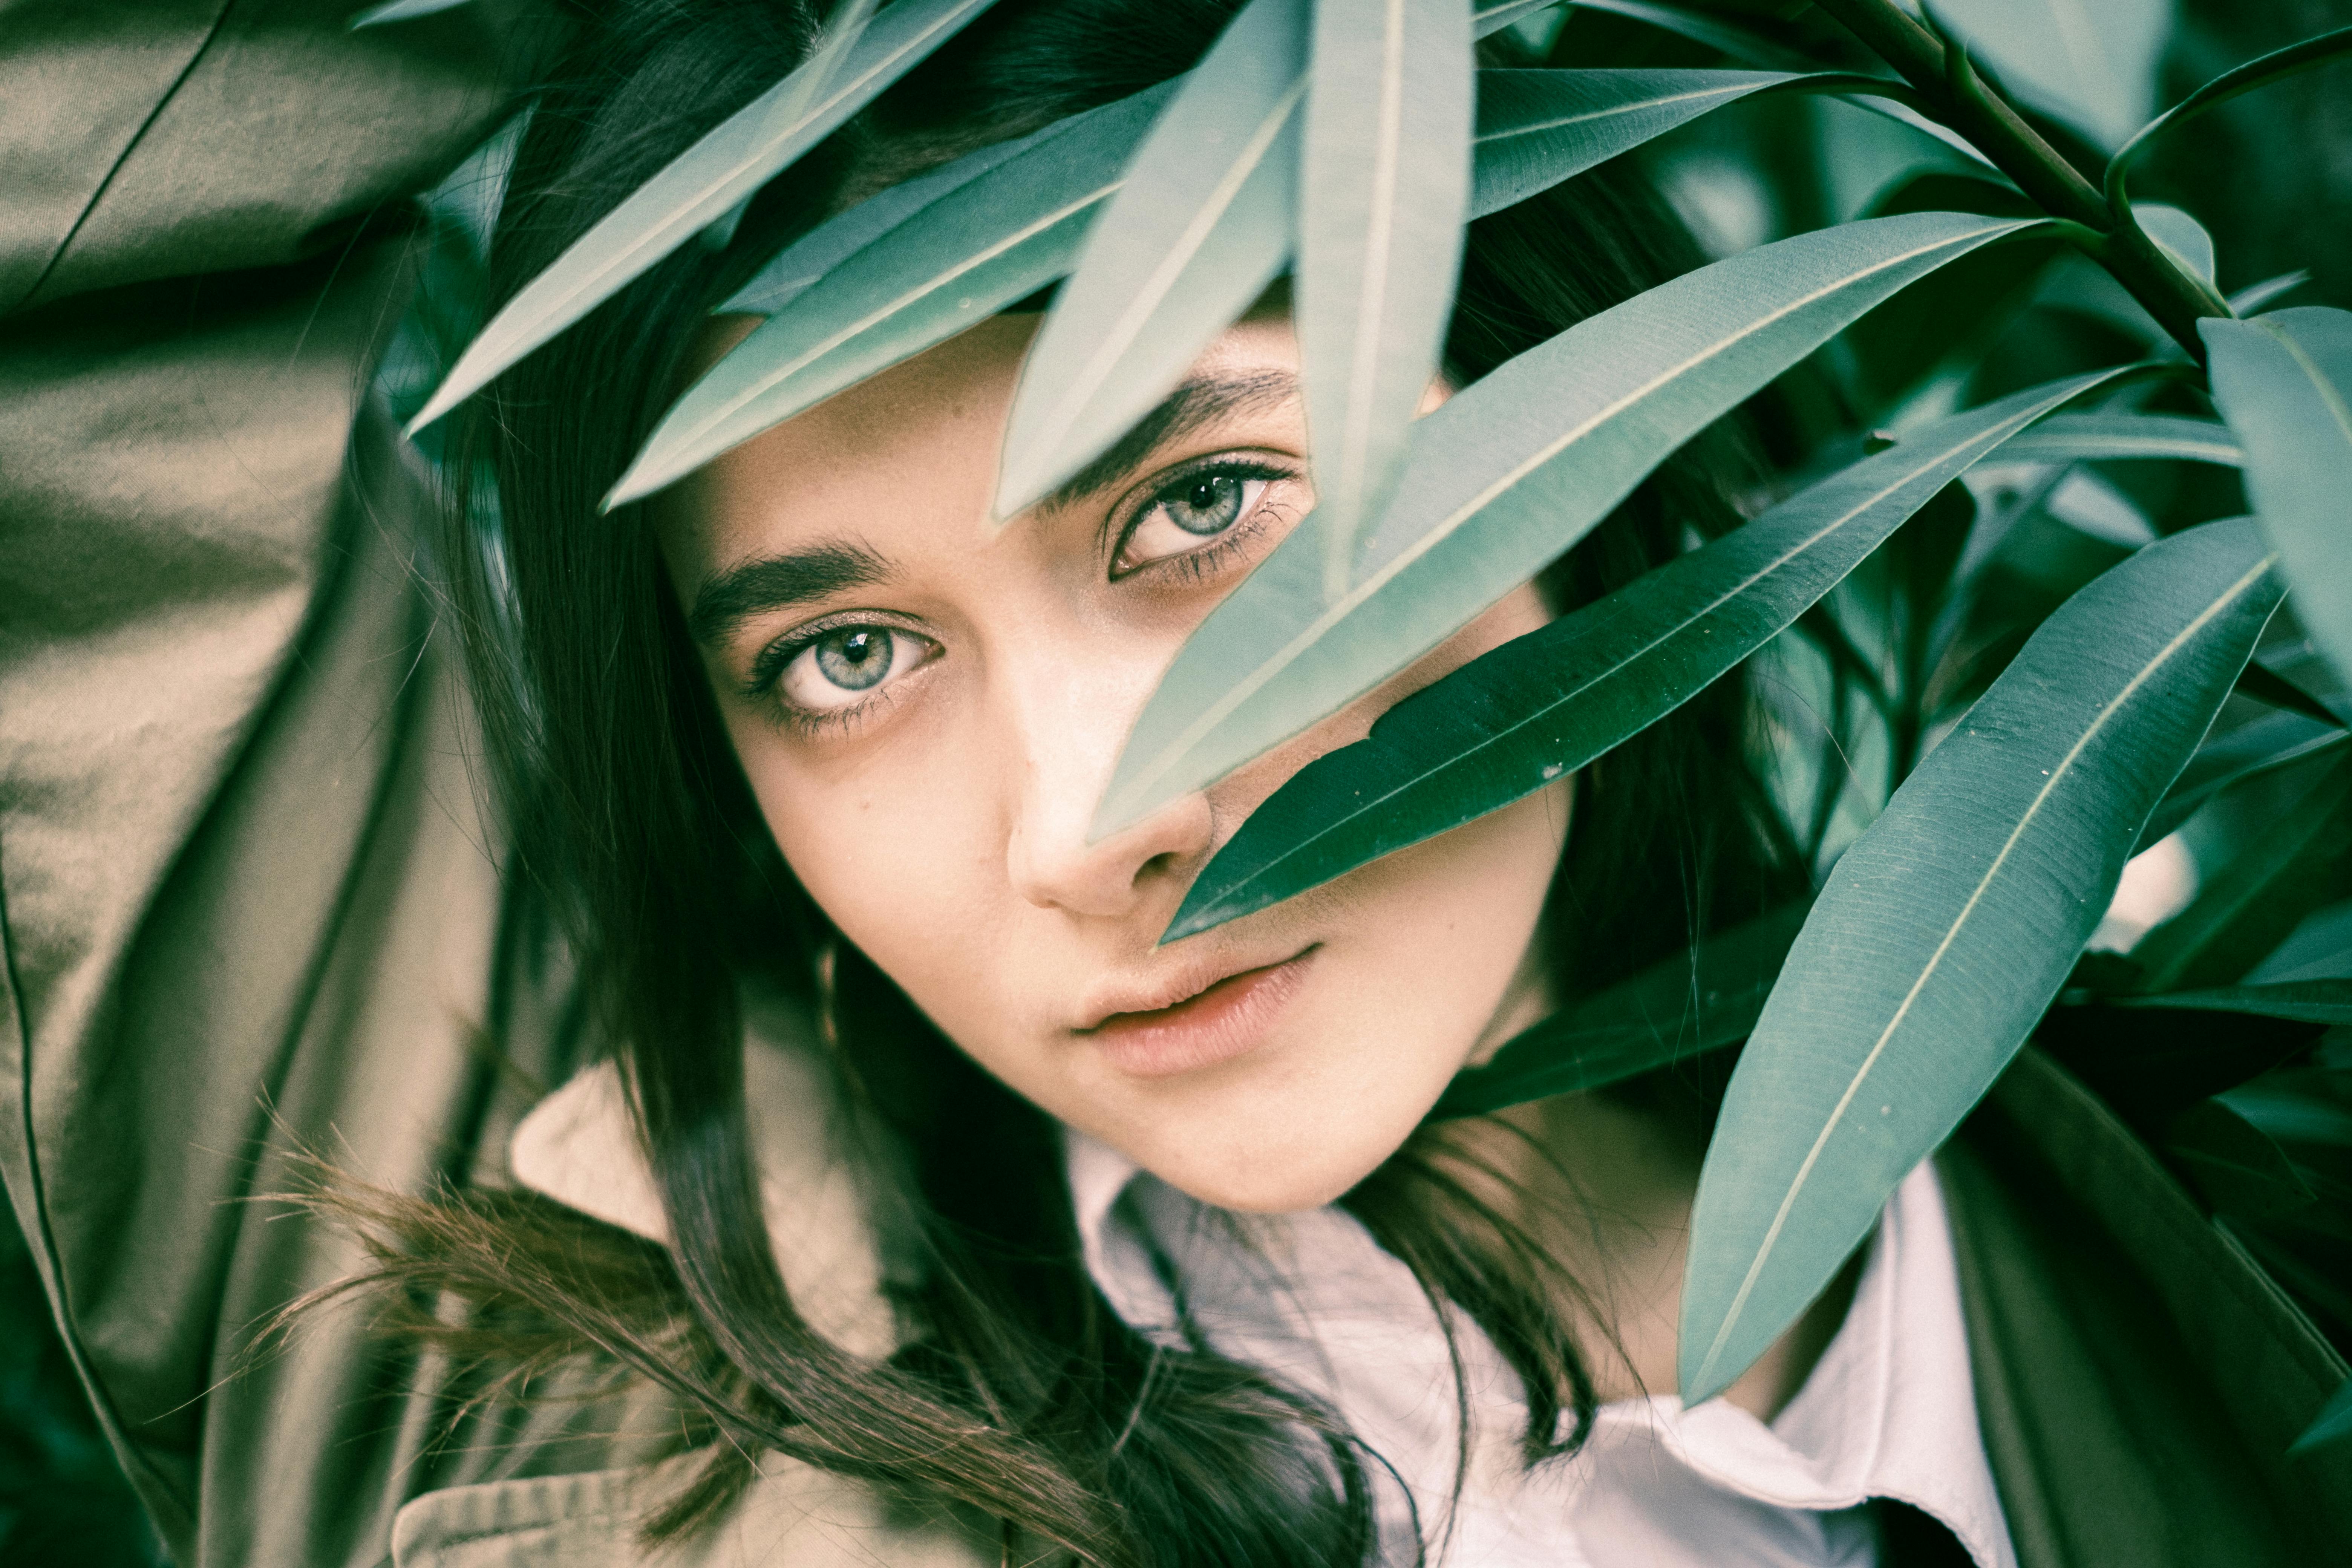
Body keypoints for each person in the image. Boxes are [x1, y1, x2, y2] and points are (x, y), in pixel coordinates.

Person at [3, 2, 2344, 1565]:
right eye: (843, 657)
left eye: (1204, 509)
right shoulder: (533, 1375)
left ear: (1580, 400)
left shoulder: (2259, 1255)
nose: (1082, 830)